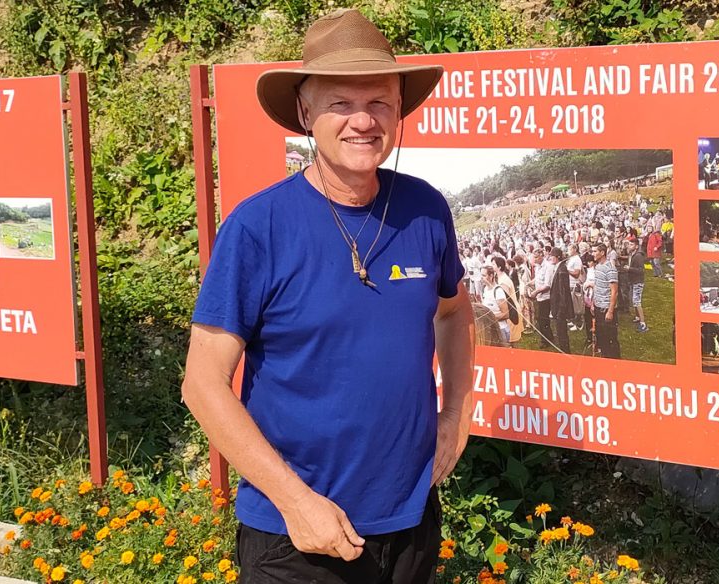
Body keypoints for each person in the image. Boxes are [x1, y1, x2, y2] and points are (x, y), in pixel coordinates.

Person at [182, 10, 474, 583]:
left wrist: (458, 411)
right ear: (305, 112)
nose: (363, 121)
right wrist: (295, 502)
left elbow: (454, 310)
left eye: (380, 102)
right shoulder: (258, 227)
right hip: (296, 536)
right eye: (341, 103)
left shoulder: (425, 209)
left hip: (410, 520)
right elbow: (202, 384)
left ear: (399, 110)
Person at [592, 243, 621, 359]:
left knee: (610, 339)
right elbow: (597, 286)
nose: (593, 254)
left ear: (602, 253)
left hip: (606, 309)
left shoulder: (610, 269)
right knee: (601, 337)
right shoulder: (598, 267)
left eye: (595, 251)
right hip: (598, 306)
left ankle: (614, 361)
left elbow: (614, 292)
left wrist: (610, 311)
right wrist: (593, 303)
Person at [529, 248, 555, 349]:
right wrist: (530, 283)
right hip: (539, 297)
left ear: (541, 256)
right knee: (540, 319)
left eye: (536, 257)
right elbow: (537, 279)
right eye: (534, 257)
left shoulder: (548, 267)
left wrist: (536, 292)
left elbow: (547, 285)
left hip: (545, 297)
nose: (534, 259)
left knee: (543, 319)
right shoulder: (537, 267)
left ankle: (546, 340)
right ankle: (548, 337)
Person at [624, 239, 648, 333]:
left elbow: (641, 270)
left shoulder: (638, 256)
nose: (629, 246)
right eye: (629, 244)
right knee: (634, 300)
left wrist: (629, 268)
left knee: (637, 301)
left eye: (631, 244)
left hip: (638, 281)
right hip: (633, 281)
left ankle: (643, 324)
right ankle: (638, 317)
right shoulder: (632, 254)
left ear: (636, 246)